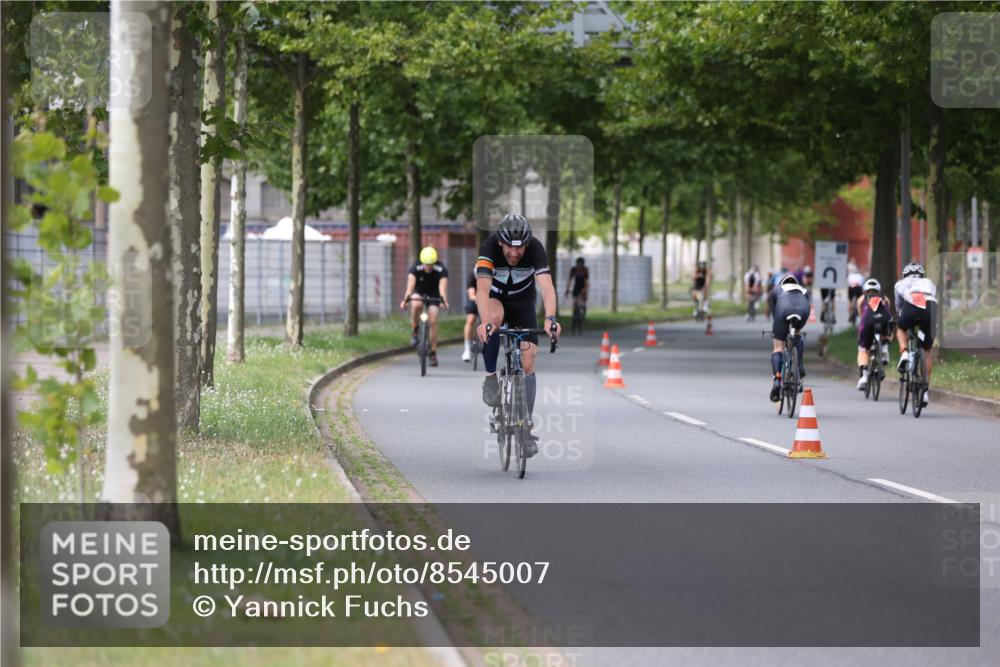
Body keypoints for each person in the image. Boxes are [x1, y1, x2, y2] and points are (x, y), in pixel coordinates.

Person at [476, 213, 561, 458]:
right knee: (493, 321)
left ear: (527, 244)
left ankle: (525, 425)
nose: (514, 255)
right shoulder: (489, 247)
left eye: (520, 249)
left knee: (529, 359)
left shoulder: (536, 248)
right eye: (510, 250)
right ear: (500, 243)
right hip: (496, 299)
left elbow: (546, 286)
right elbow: (482, 288)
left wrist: (551, 318)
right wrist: (484, 323)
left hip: (523, 302)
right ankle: (491, 376)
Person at [894, 262, 938, 407]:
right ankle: (925, 392)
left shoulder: (900, 283)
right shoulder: (929, 282)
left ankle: (904, 352)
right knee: (926, 349)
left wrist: (902, 317)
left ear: (905, 275)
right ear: (922, 275)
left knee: (901, 328)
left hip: (910, 306)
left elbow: (899, 306)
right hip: (930, 307)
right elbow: (933, 297)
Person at [400, 246, 449, 367]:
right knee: (416, 305)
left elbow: (442, 290)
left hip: (434, 294)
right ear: (422, 262)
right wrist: (405, 300)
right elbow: (410, 287)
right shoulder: (415, 268)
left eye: (431, 264)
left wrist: (444, 301)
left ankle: (433, 353)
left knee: (433, 318)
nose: (429, 267)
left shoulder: (441, 269)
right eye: (426, 264)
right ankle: (415, 330)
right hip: (419, 291)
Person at [767, 273, 811, 402]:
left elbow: (774, 311)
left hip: (782, 312)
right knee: (797, 333)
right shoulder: (803, 290)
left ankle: (777, 378)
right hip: (802, 312)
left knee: (778, 346)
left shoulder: (776, 290)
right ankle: (800, 368)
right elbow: (807, 305)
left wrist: (779, 330)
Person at [855, 278, 893, 390]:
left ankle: (864, 376)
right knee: (887, 331)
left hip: (868, 322)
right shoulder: (885, 299)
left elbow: (862, 316)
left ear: (864, 290)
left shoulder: (861, 300)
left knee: (862, 349)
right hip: (883, 322)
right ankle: (885, 348)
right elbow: (887, 312)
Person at [462, 269, 478, 362]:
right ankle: (467, 349)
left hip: (488, 299)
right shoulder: (471, 276)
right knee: (471, 319)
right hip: (475, 298)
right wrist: (478, 299)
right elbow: (471, 295)